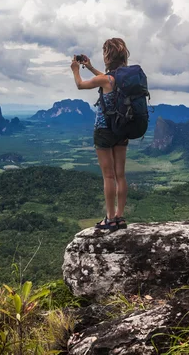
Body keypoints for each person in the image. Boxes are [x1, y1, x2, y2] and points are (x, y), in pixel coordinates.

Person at [70, 38, 130, 231]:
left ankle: (110, 218)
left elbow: (80, 85)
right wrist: (91, 67)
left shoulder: (106, 79)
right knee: (120, 175)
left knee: (108, 176)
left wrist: (76, 69)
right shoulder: (125, 78)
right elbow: (107, 79)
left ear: (108, 55)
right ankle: (120, 217)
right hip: (122, 130)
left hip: (104, 131)